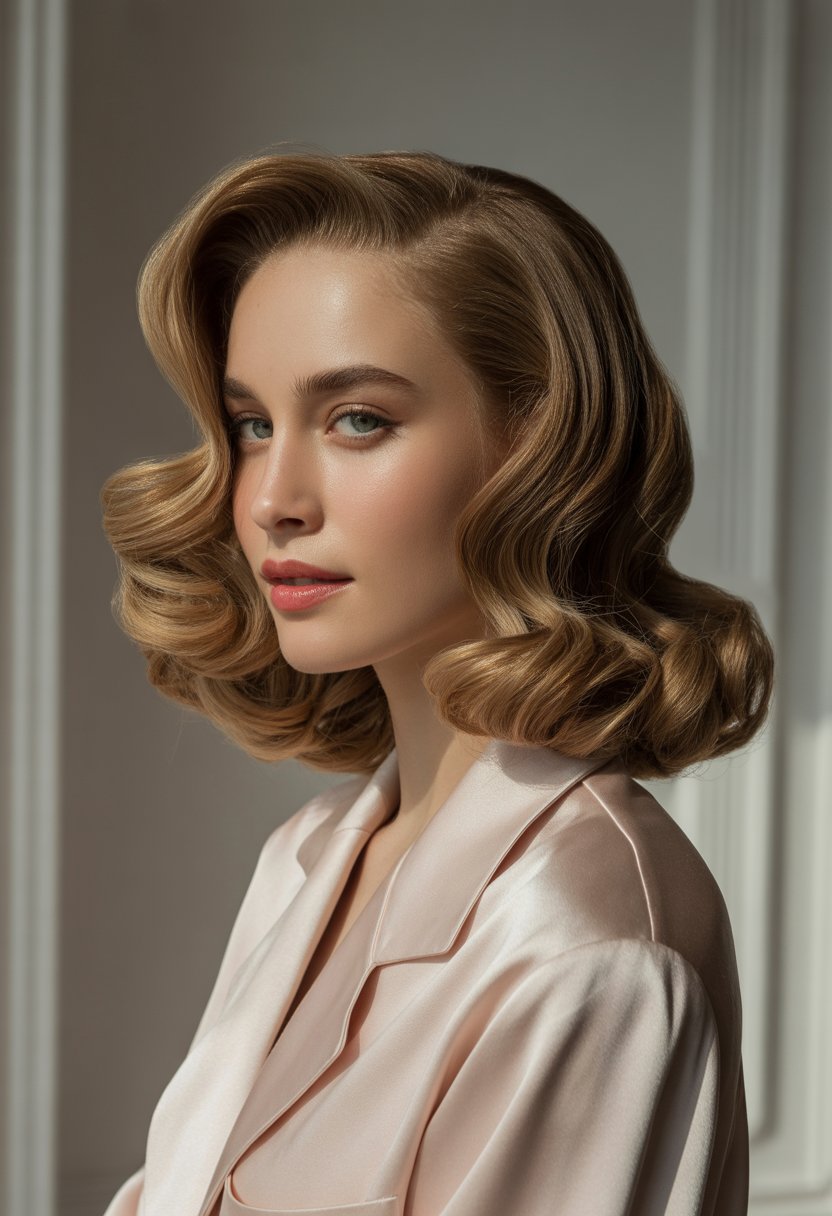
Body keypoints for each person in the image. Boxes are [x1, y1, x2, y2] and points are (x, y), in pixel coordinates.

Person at [100, 148, 773, 1216]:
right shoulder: (314, 856)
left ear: (538, 448)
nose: (273, 495)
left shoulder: (584, 942)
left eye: (357, 417)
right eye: (251, 424)